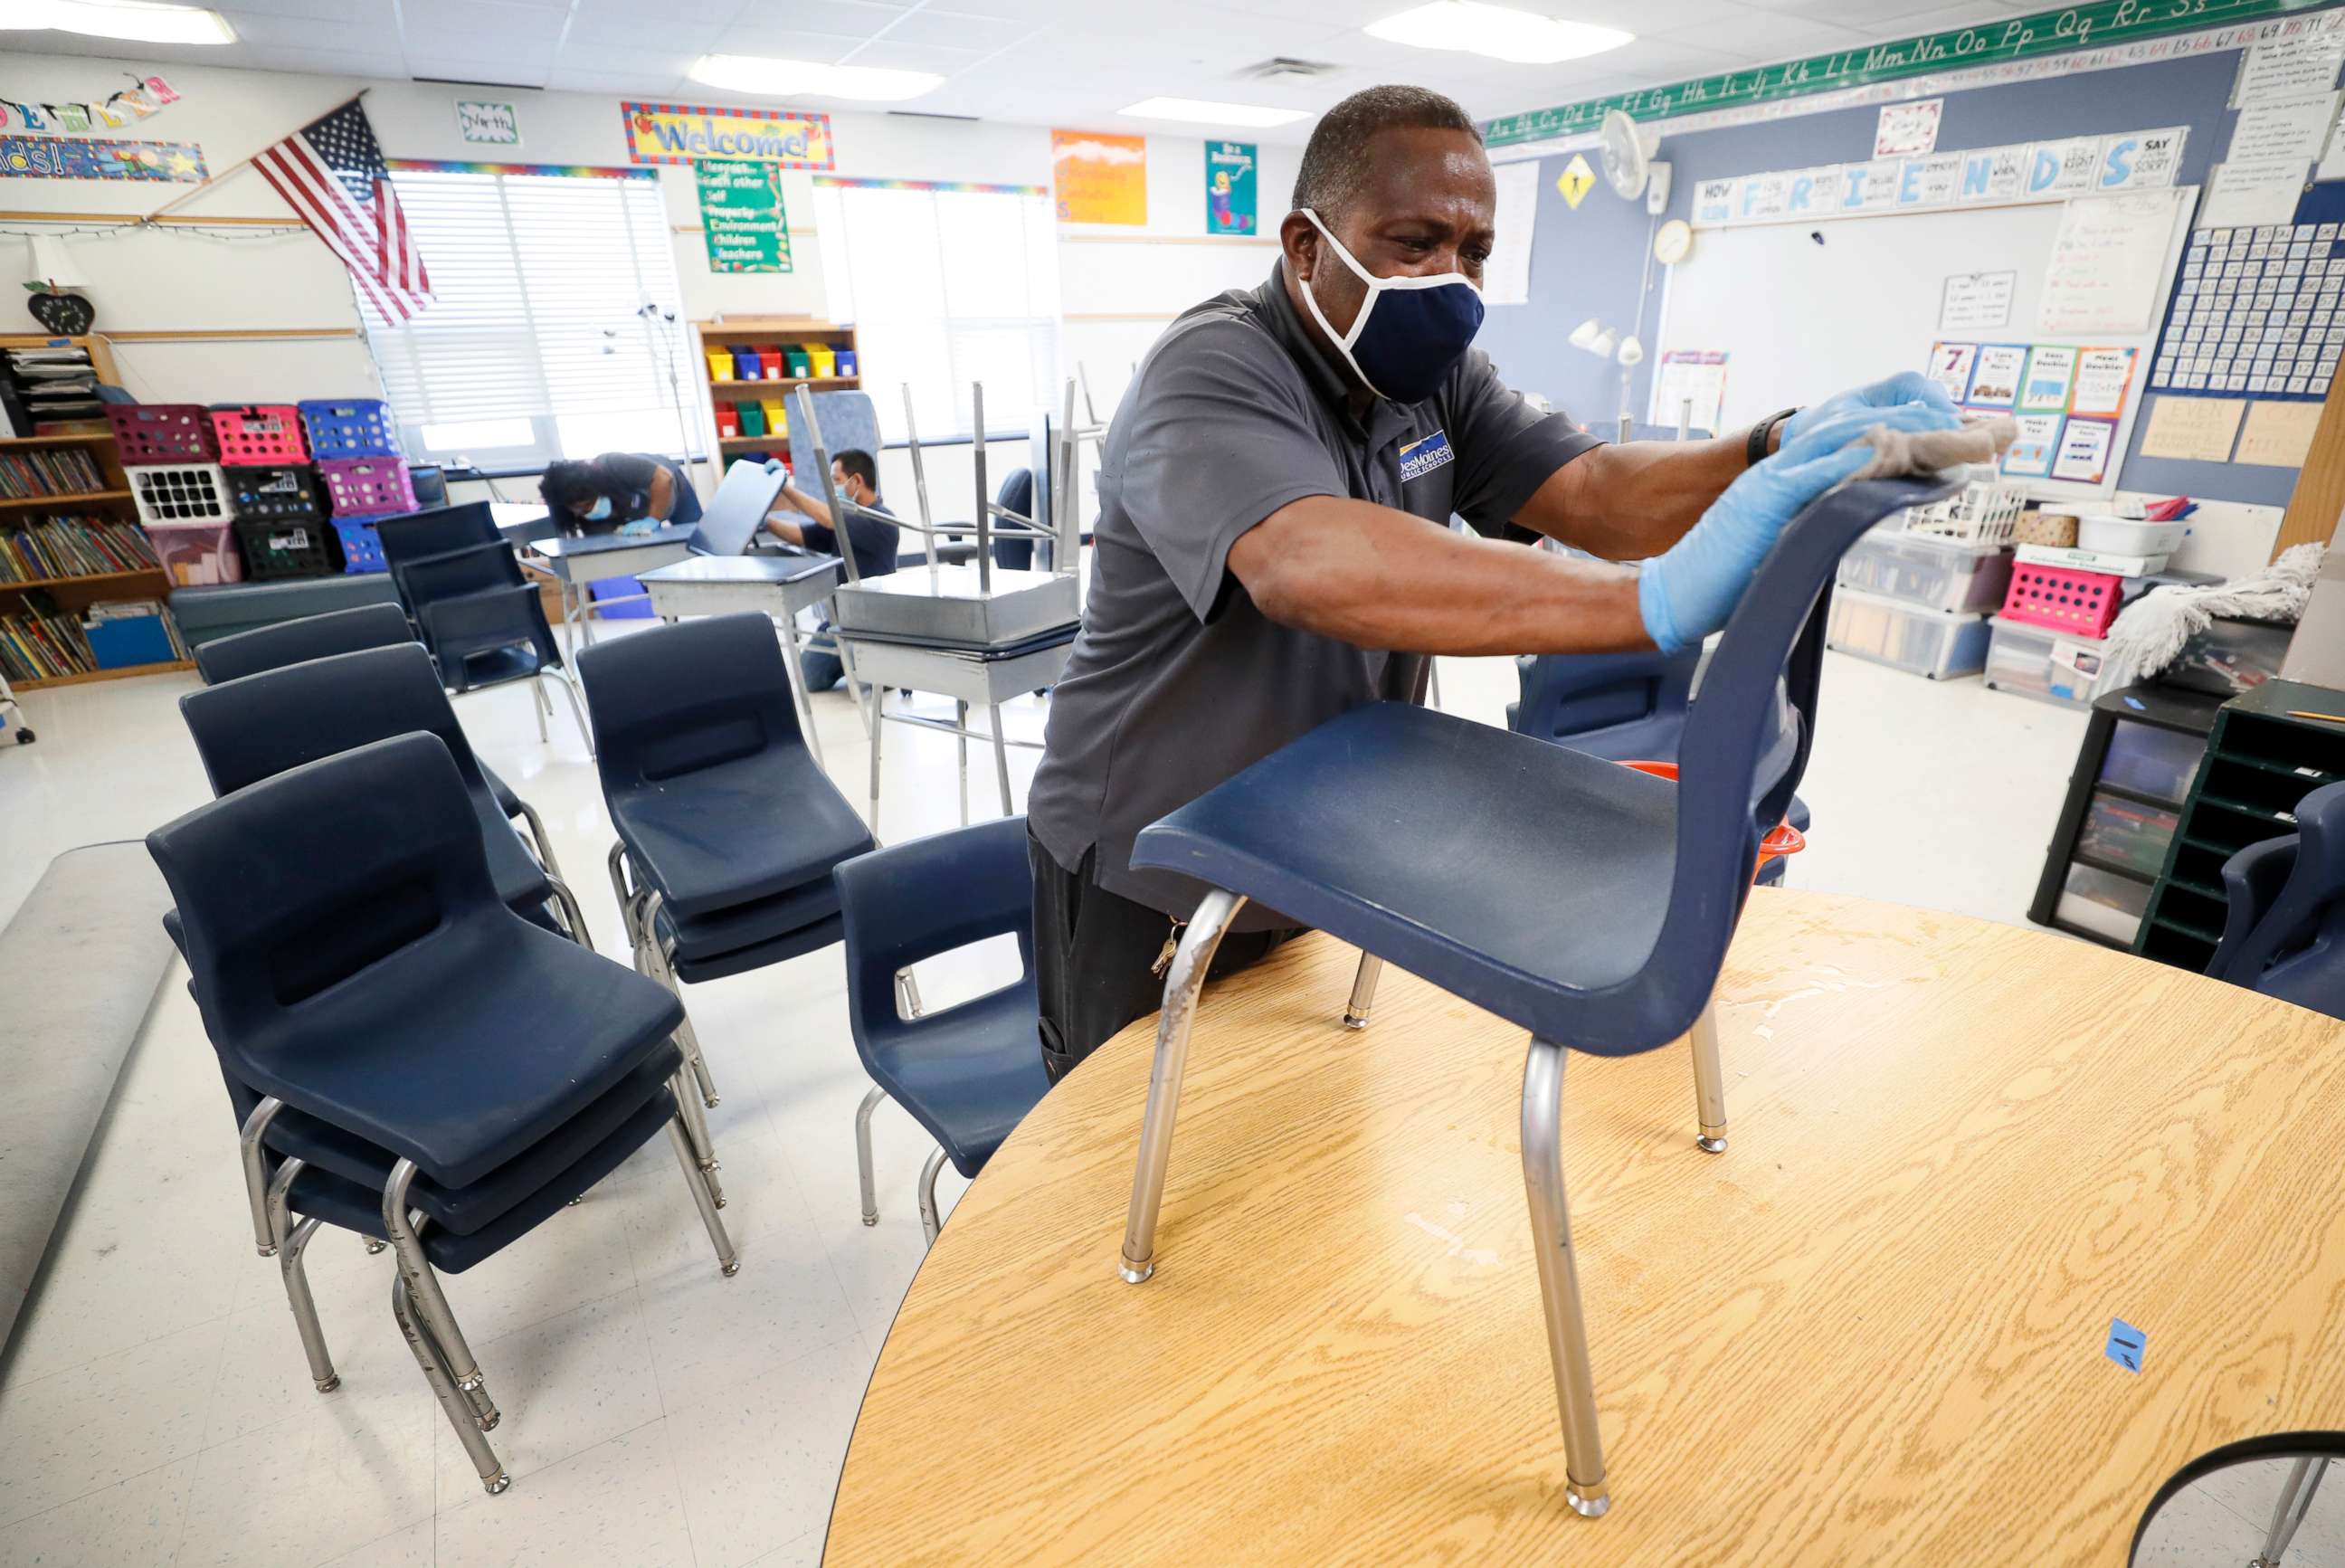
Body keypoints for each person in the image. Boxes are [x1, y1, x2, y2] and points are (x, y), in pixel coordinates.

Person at [1021, 84, 1960, 1085]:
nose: (1450, 278)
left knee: (1284, 1136)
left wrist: (1767, 448)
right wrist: (1646, 604)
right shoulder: (1212, 367)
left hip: (1313, 836)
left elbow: (1596, 491)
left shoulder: (1437, 378)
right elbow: (1306, 561)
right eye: (1415, 241)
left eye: (1474, 251)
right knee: (1118, 1160)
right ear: (1306, 245)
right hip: (1149, 860)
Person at [764, 448, 900, 691]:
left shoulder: (881, 519)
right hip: (840, 621)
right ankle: (852, 664)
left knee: (871, 679)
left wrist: (785, 487)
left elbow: (829, 518)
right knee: (809, 679)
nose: (832, 489)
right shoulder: (843, 521)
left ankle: (874, 664)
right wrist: (763, 521)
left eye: (836, 481)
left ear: (856, 481)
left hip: (874, 624)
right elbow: (801, 535)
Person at [539, 451, 704, 536]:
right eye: (580, 511)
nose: (588, 512)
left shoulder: (612, 464)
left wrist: (652, 520)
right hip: (634, 505)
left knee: (697, 536)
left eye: (588, 505)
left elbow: (663, 478)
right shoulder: (566, 507)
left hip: (669, 483)